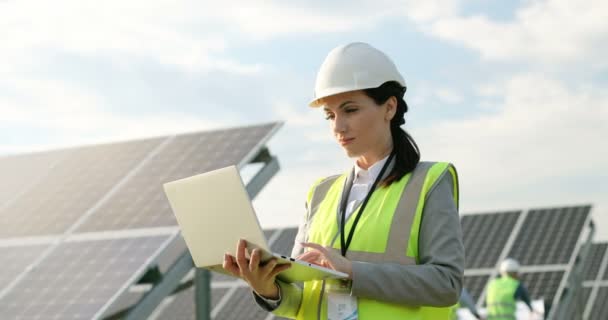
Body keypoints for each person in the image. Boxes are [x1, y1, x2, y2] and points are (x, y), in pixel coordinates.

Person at [223, 42, 465, 319]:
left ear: (389, 108)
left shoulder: (429, 181)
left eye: (350, 110)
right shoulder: (320, 192)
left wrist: (350, 271)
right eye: (330, 115)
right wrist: (267, 289)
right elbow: (301, 298)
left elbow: (446, 284)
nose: (338, 126)